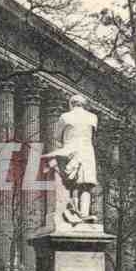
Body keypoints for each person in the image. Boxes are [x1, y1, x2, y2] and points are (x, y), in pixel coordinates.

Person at [42, 94, 98, 224]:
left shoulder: (65, 117)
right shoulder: (93, 117)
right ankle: (84, 213)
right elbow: (94, 135)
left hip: (70, 151)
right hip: (87, 152)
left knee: (70, 184)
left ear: (71, 104)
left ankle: (72, 211)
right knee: (86, 185)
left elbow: (57, 136)